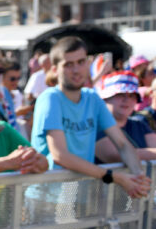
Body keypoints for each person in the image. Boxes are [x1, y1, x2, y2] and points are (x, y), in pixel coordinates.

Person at [30, 37, 150, 198]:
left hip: (79, 196)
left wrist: (137, 176)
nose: (76, 70)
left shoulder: (92, 98)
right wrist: (114, 177)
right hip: (49, 198)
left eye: (81, 62)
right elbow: (60, 155)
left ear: (88, 63)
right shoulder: (50, 98)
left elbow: (122, 144)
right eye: (68, 64)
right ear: (54, 69)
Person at [95, 72, 156, 162]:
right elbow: (115, 156)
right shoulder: (94, 126)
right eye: (120, 94)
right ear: (105, 98)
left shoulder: (139, 125)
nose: (126, 100)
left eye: (132, 95)